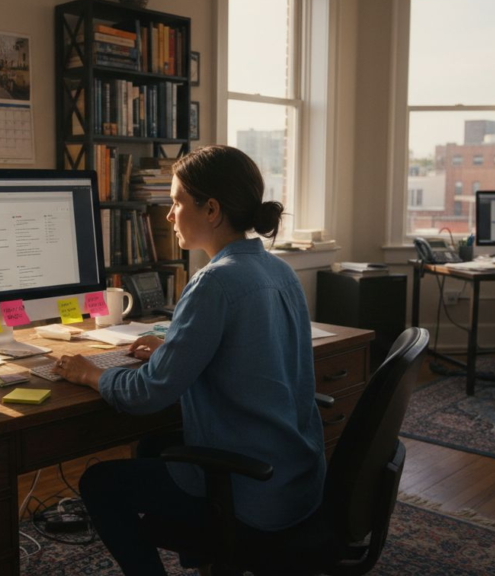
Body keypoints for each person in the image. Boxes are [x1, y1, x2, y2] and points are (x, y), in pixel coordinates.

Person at [52, 145, 327, 575]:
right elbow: (247, 354)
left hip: (251, 493)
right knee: (154, 447)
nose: (168, 215)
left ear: (211, 210)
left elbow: (147, 394)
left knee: (99, 483)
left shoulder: (214, 282)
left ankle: (213, 550)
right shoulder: (279, 271)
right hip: (296, 479)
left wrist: (89, 374)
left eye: (177, 202)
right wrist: (172, 351)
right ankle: (213, 563)